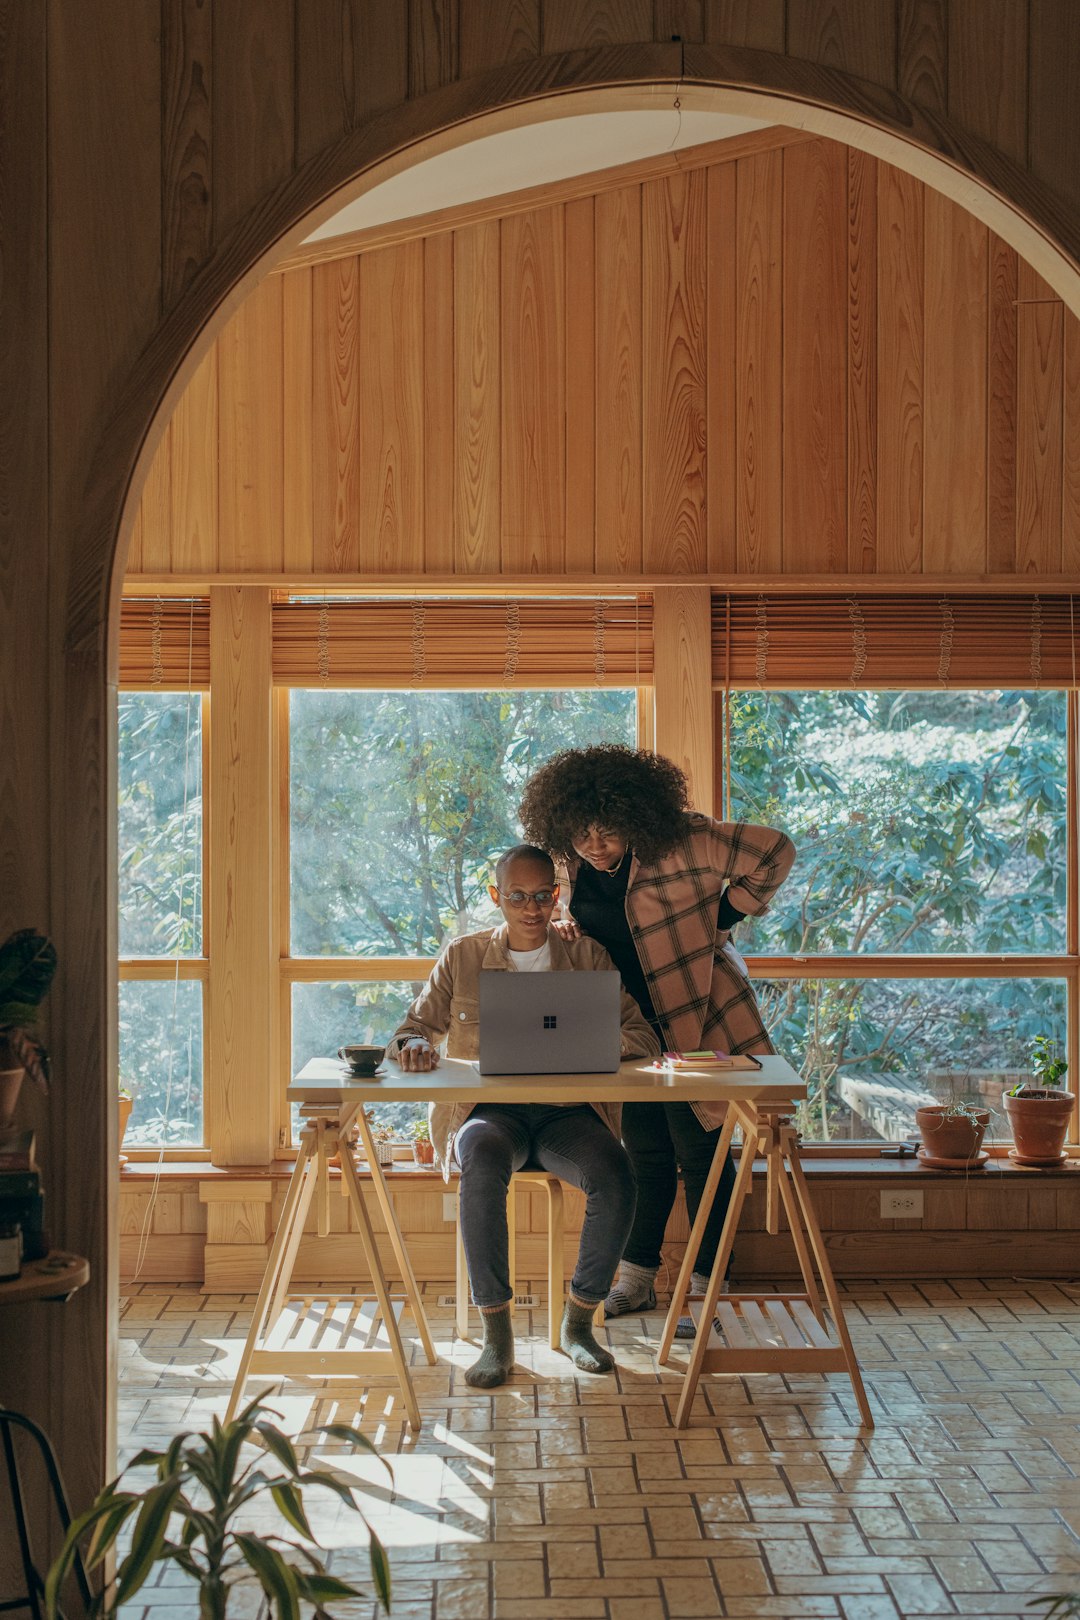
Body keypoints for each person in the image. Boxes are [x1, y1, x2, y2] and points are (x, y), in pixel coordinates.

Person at [518, 745, 795, 1326]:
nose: (594, 845)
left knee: (702, 1152)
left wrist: (725, 915)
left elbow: (775, 849)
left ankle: (707, 1289)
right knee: (643, 1151)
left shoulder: (686, 841)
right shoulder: (567, 865)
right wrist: (562, 918)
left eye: (609, 832)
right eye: (581, 833)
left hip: (698, 1011)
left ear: (637, 817)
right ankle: (638, 1280)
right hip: (627, 1028)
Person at [386, 843, 659, 1389]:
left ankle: (580, 1323)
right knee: (481, 1166)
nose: (532, 908)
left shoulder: (587, 956)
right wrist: (413, 1047)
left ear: (557, 895)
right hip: (490, 1113)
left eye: (542, 896)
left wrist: (588, 1042)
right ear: (496, 897)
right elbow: (409, 1029)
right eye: (517, 896)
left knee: (617, 1176)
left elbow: (643, 1035)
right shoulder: (463, 955)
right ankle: (497, 1336)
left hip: (568, 1117)